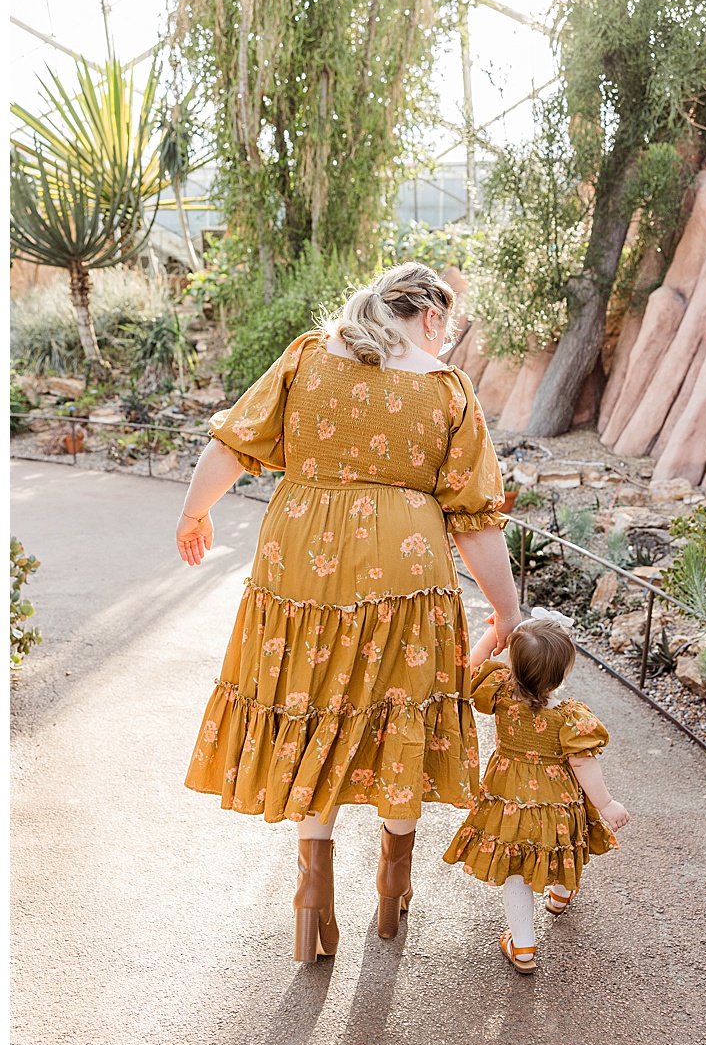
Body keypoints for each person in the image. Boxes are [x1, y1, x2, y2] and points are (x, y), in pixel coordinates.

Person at [176, 262, 521, 962]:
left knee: (313, 714)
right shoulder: (446, 390)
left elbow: (231, 443)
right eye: (447, 327)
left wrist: (193, 511)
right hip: (406, 573)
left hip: (300, 564)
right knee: (399, 713)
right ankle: (392, 893)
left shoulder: (309, 355)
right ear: (430, 315)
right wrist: (505, 610)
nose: (446, 340)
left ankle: (311, 905)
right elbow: (475, 519)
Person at [443, 609, 629, 973]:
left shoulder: (498, 692)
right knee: (560, 846)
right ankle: (560, 895)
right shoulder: (571, 717)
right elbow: (583, 764)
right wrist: (606, 804)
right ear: (564, 672)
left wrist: (493, 633)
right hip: (556, 802)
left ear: (513, 665)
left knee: (517, 868)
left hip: (508, 800)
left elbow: (463, 674)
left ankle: (524, 946)